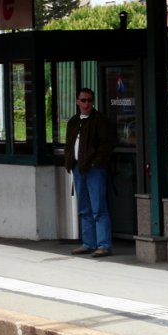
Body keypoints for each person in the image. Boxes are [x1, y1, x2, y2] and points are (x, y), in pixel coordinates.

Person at [65, 87, 114, 257]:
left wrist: (95, 163)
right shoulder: (73, 122)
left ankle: (104, 244)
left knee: (98, 207)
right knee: (84, 207)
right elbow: (69, 144)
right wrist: (69, 162)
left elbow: (106, 145)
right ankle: (88, 243)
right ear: (77, 101)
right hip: (78, 168)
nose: (86, 104)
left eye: (89, 100)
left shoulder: (100, 120)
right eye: (83, 100)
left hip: (94, 169)